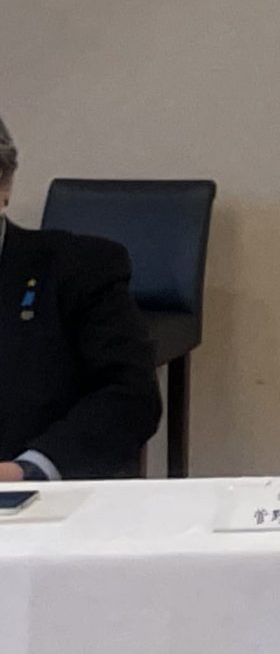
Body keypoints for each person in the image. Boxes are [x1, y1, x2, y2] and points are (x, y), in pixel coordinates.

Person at [0, 116, 163, 482]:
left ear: (4, 184)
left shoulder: (80, 268)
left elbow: (129, 396)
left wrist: (28, 470)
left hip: (30, 498)